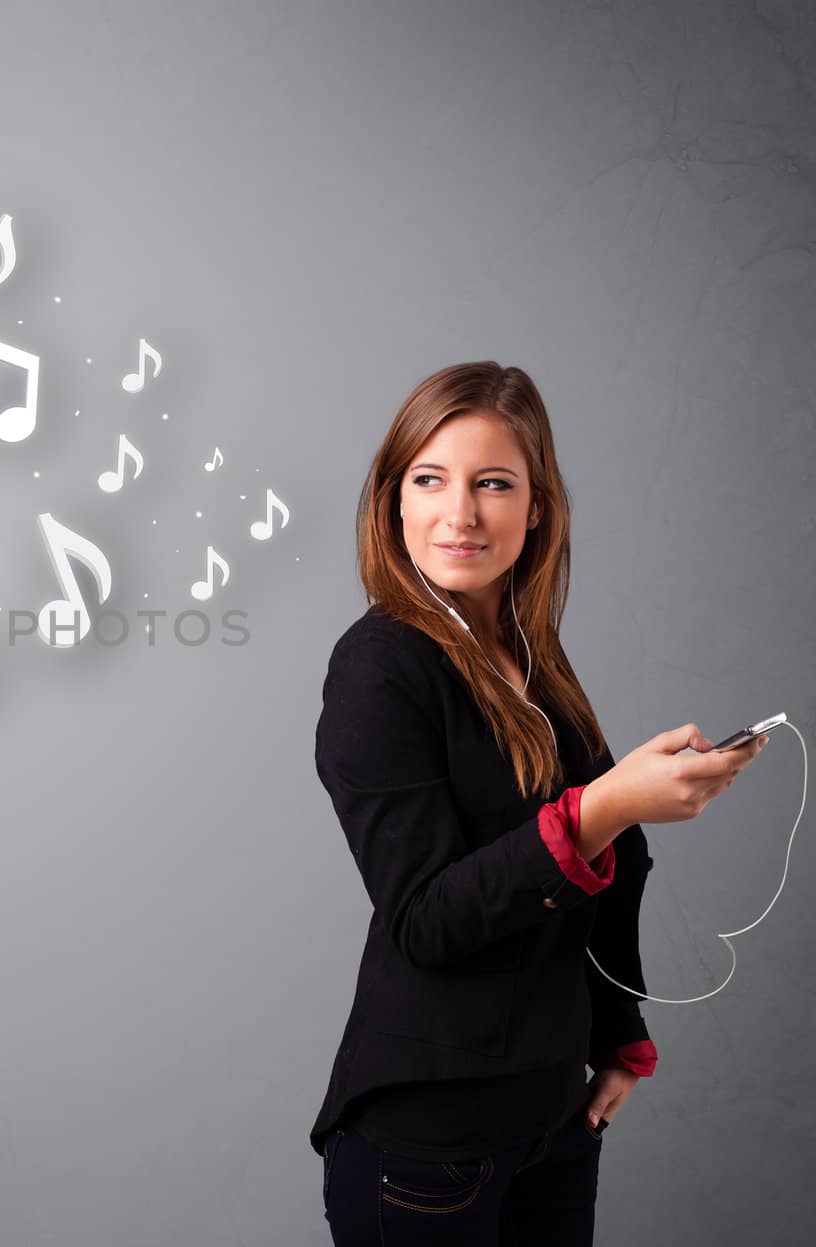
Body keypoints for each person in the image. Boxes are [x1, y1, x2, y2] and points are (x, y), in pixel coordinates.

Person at [311, 361, 769, 1245]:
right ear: (392, 502)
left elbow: (611, 865)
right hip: (426, 1147)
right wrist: (606, 804)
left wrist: (619, 1032)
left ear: (537, 507)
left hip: (554, 1123)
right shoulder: (379, 667)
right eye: (430, 479)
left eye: (493, 483)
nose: (461, 513)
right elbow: (428, 918)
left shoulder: (530, 656)